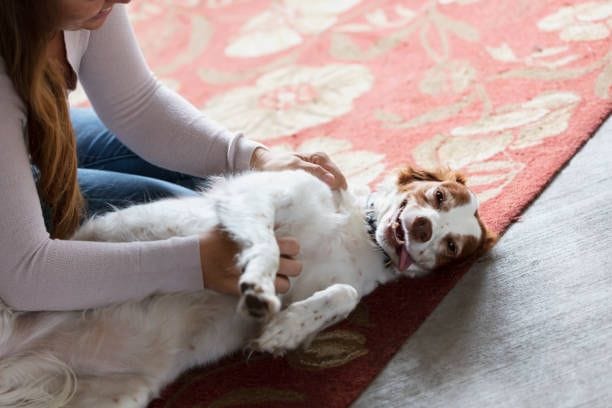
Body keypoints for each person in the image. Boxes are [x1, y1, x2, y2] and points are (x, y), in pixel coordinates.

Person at [0, 0, 347, 312]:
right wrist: (196, 262)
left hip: (22, 130)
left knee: (233, 189)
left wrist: (255, 159)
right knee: (193, 222)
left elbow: (136, 104)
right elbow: (26, 274)